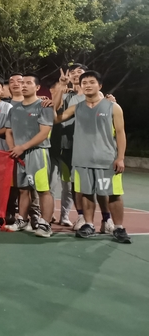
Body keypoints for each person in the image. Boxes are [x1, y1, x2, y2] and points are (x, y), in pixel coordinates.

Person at [53, 71, 130, 243]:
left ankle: (118, 227)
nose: (87, 85)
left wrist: (120, 157)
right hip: (81, 160)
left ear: (100, 85)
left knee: (113, 194)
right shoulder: (77, 107)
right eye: (84, 83)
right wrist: (61, 87)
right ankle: (88, 224)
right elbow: (56, 118)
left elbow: (120, 133)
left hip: (106, 160)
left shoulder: (113, 107)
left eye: (91, 82)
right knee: (86, 194)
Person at [4, 74, 55, 238]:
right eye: (21, 83)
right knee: (23, 189)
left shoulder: (44, 106)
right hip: (19, 154)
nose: (23, 85)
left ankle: (45, 224)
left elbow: (44, 133)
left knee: (43, 190)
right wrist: (13, 148)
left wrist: (23, 147)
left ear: (37, 87)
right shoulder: (14, 109)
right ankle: (22, 220)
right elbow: (8, 131)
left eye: (28, 83)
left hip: (38, 152)